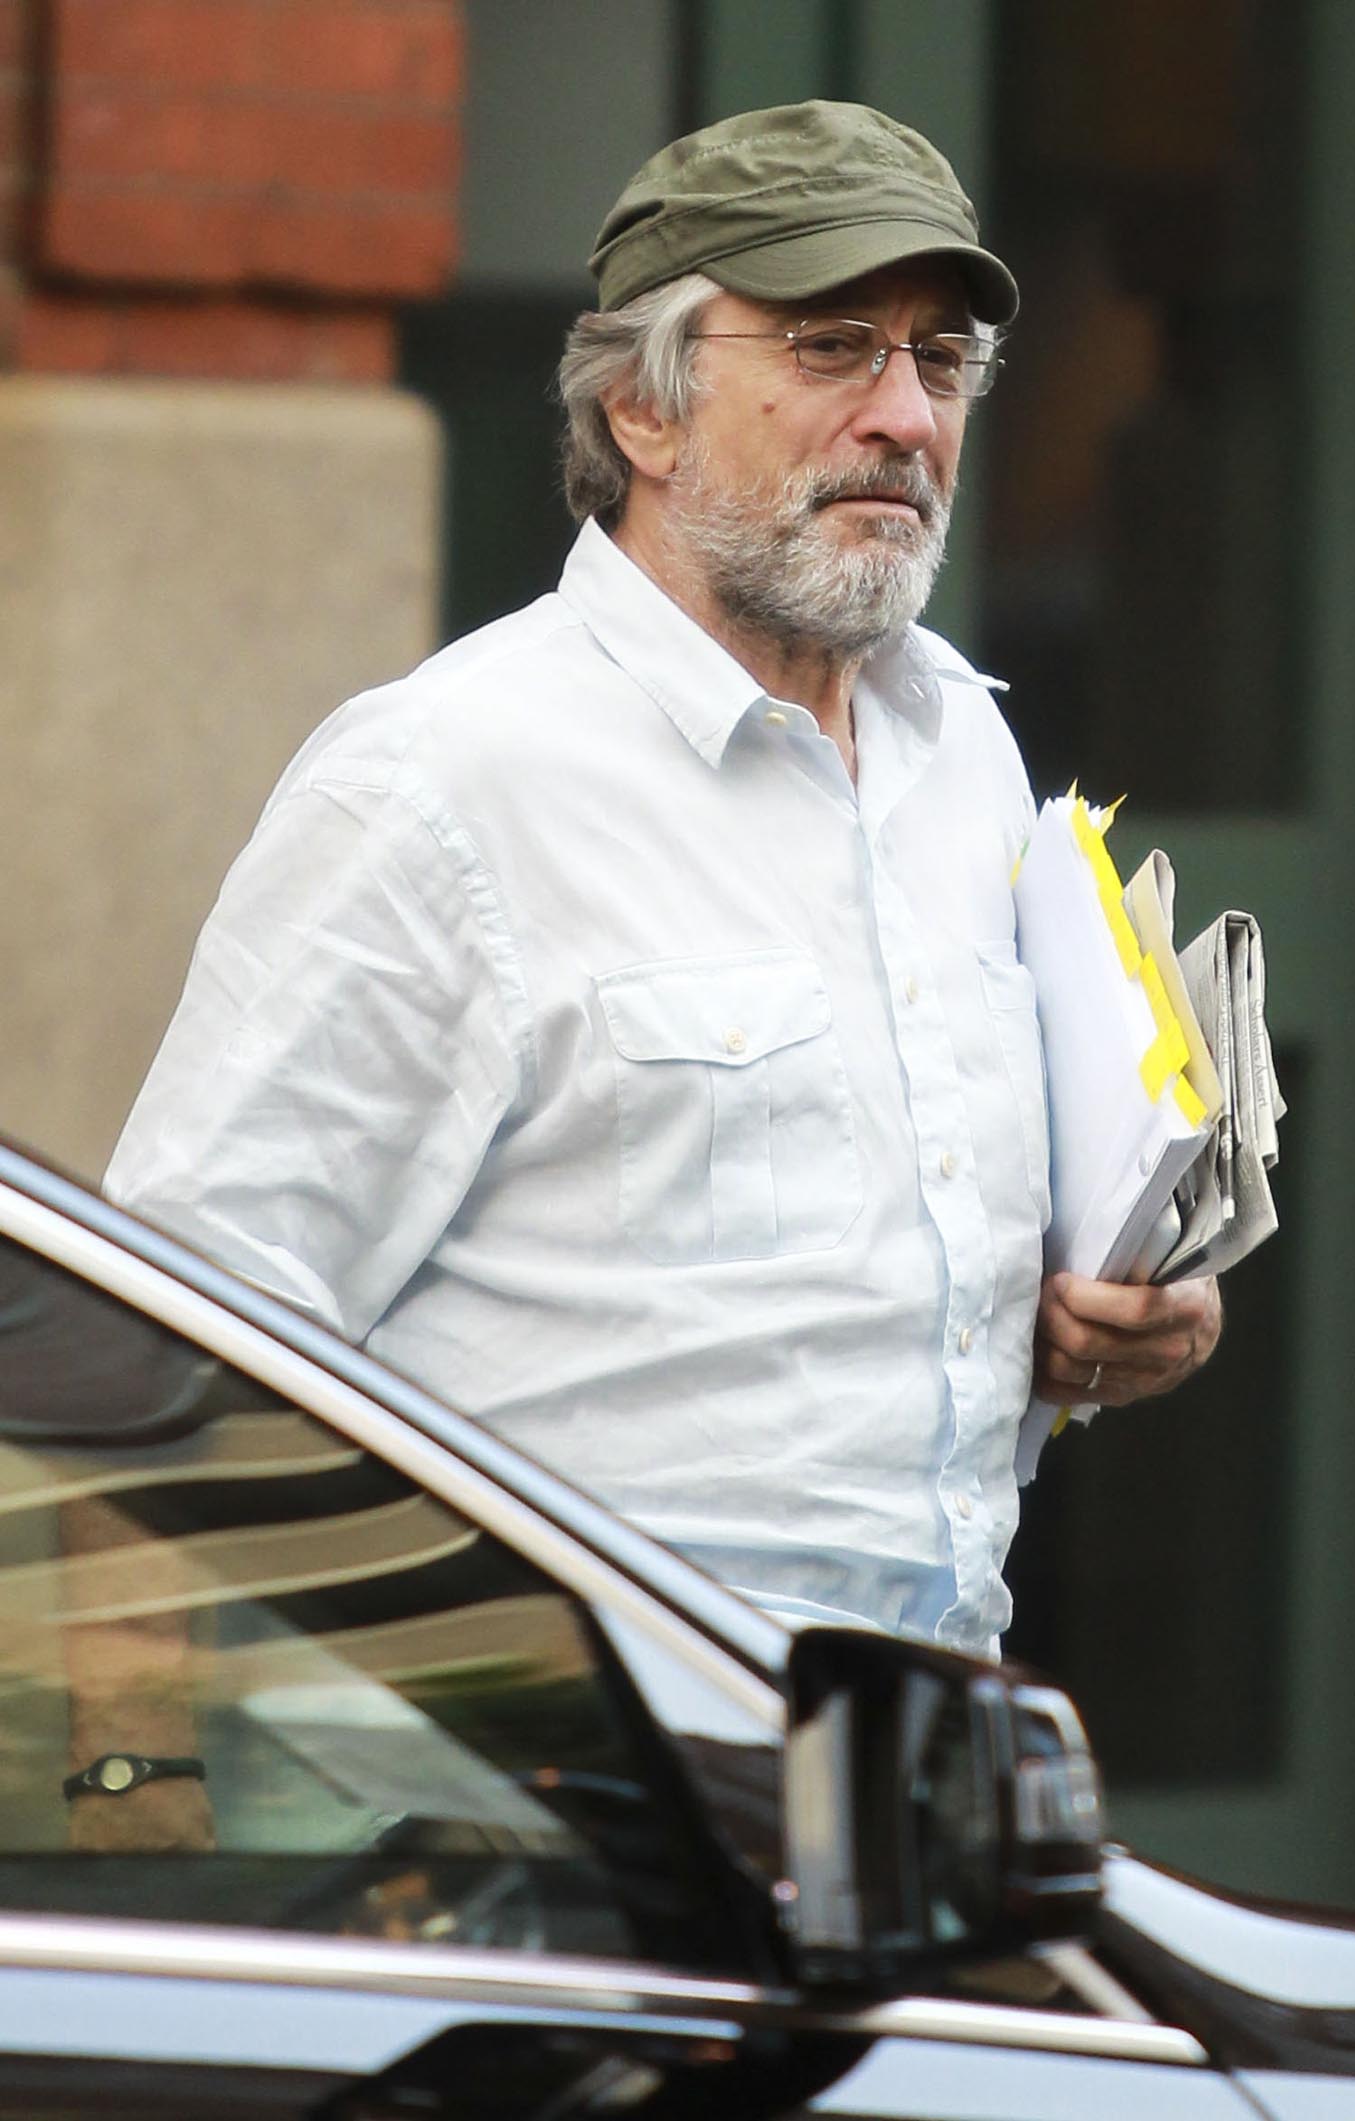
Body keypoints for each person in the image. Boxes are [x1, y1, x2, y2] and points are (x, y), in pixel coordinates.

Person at [106, 101, 1220, 1656]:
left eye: (941, 360)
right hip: (562, 1817)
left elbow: (895, 1284)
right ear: (643, 405)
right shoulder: (438, 785)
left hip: (912, 1773)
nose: (907, 415)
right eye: (835, 347)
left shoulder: (964, 752)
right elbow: (172, 1354)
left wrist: (1106, 1324)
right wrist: (141, 1795)